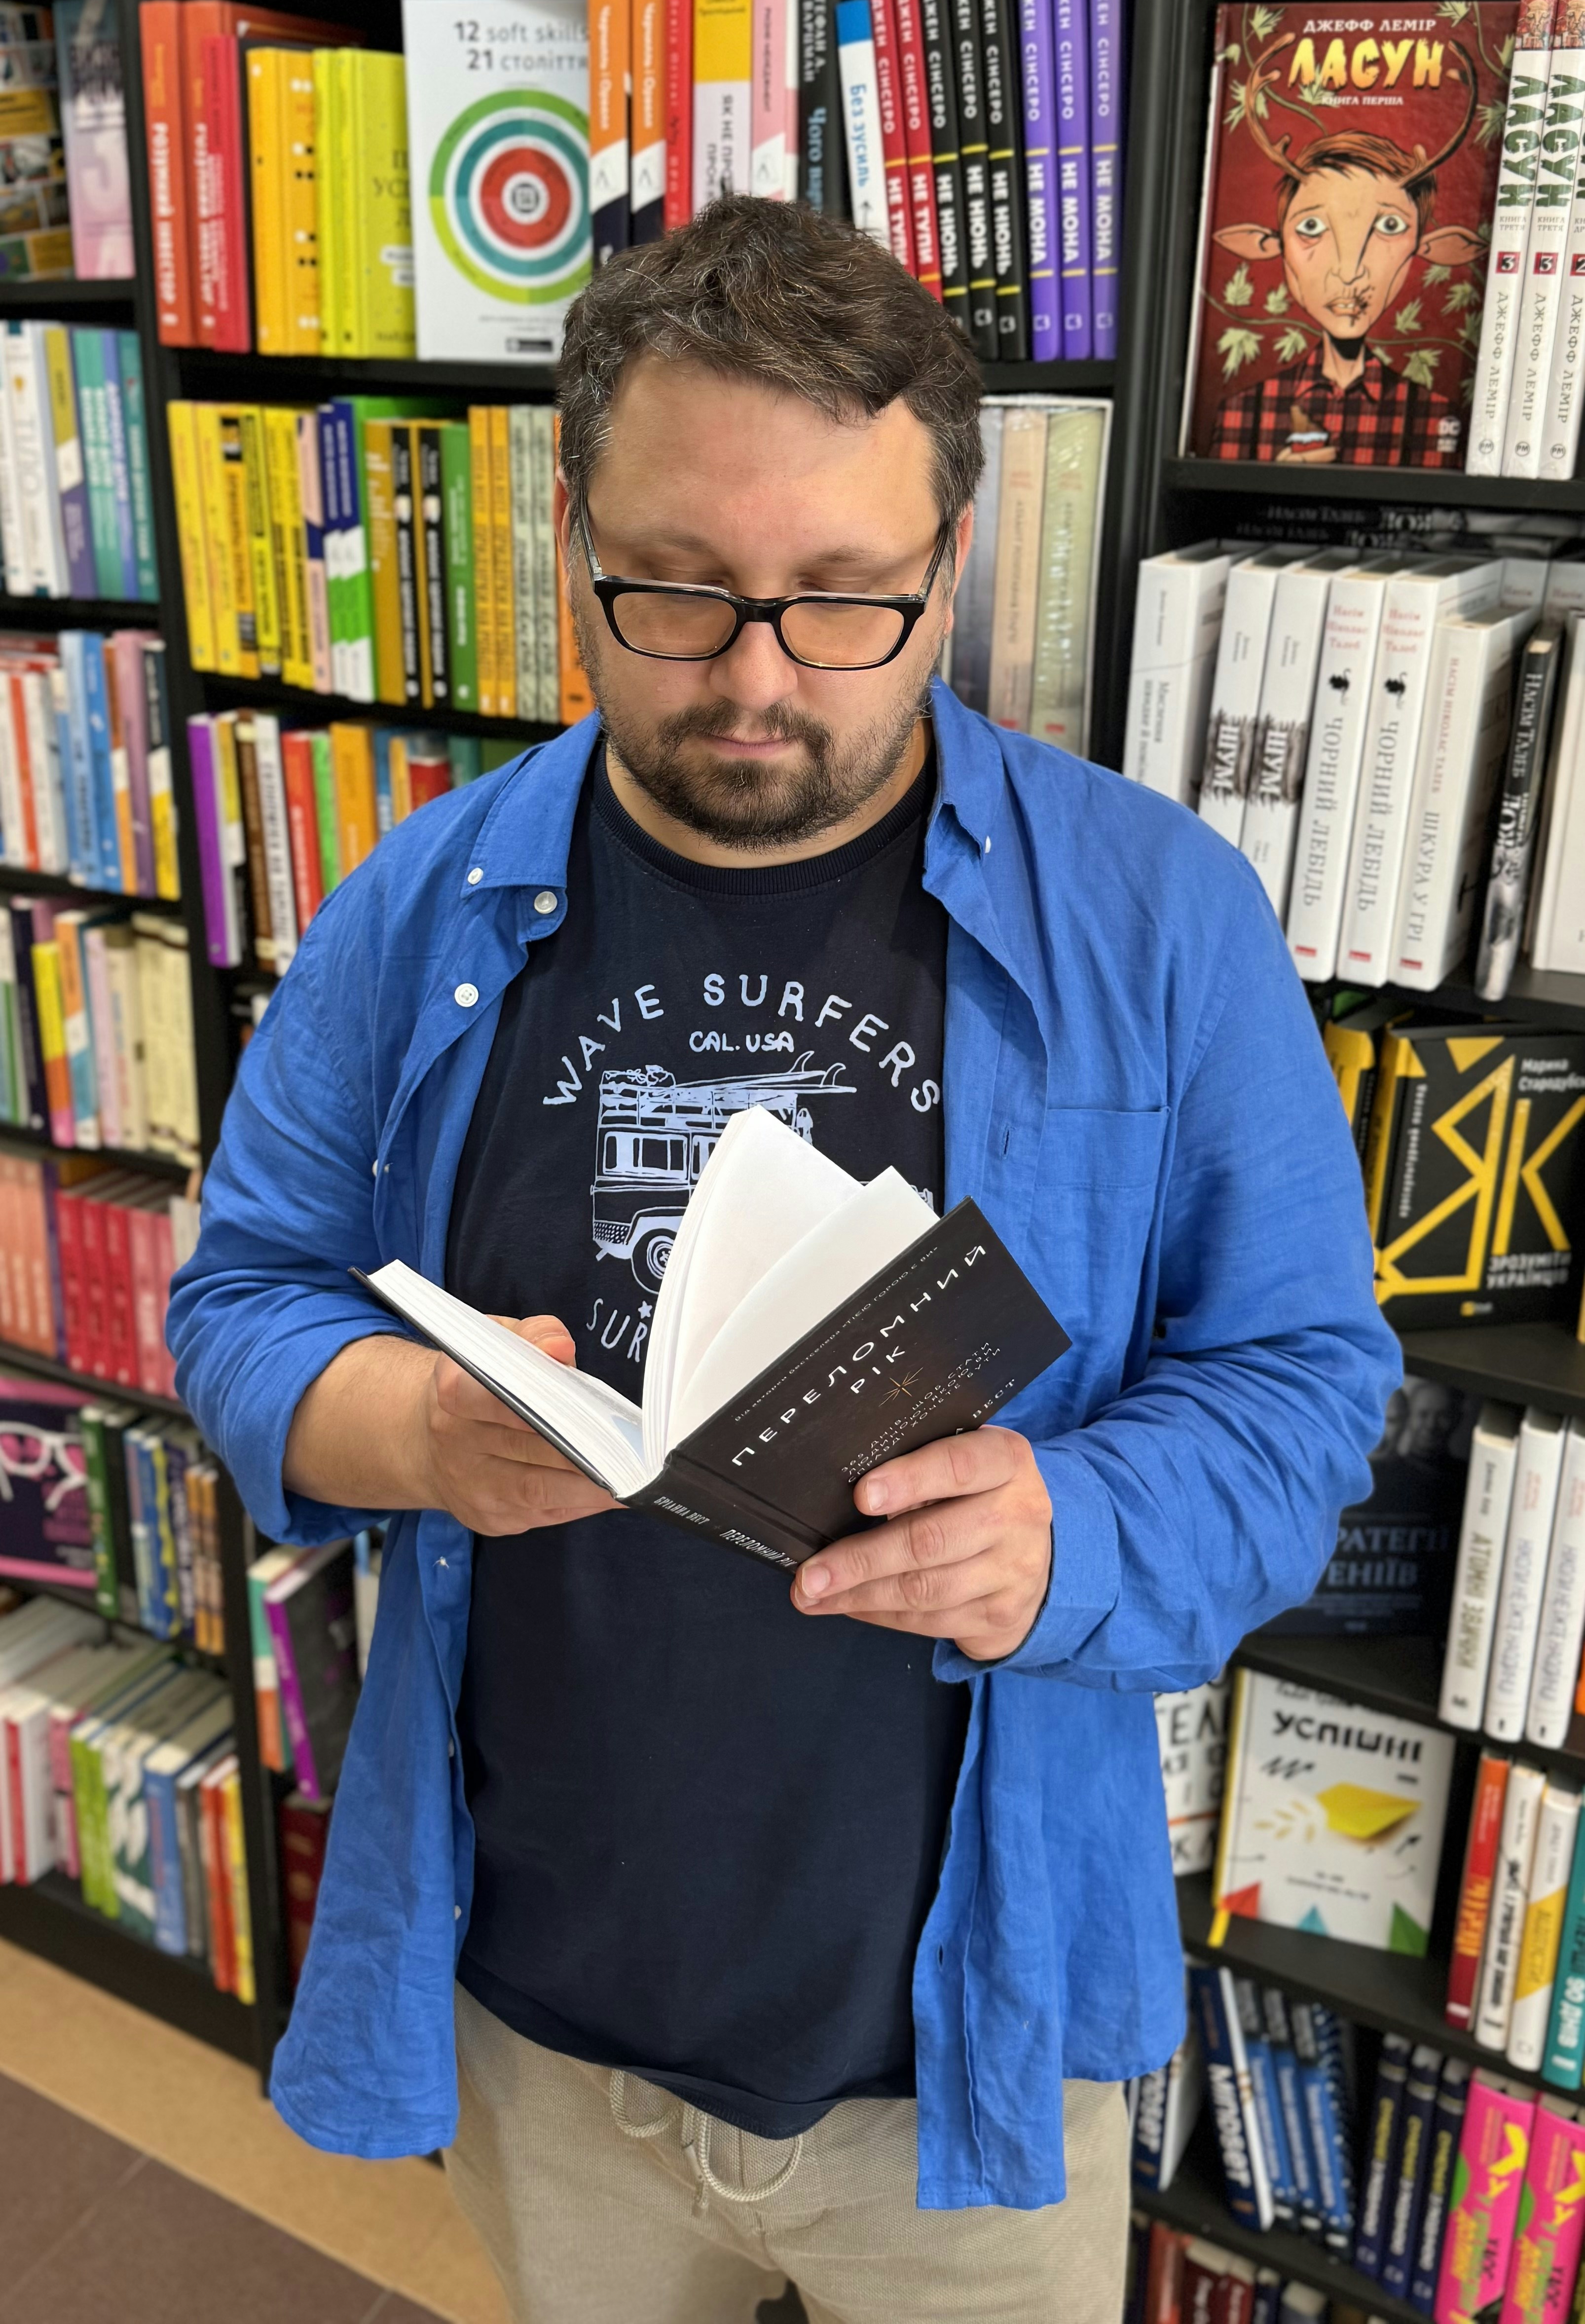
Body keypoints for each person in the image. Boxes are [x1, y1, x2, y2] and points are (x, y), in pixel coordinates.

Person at [169, 196, 1396, 2324]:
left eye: (844, 603)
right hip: (540, 2014)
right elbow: (244, 1294)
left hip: (967, 2058)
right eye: (676, 593)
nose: (755, 680)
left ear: (954, 568)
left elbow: (1304, 1381)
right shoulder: (420, 901)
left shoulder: (1155, 919)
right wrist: (419, 1429)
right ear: (569, 543)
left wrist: (1070, 1531)